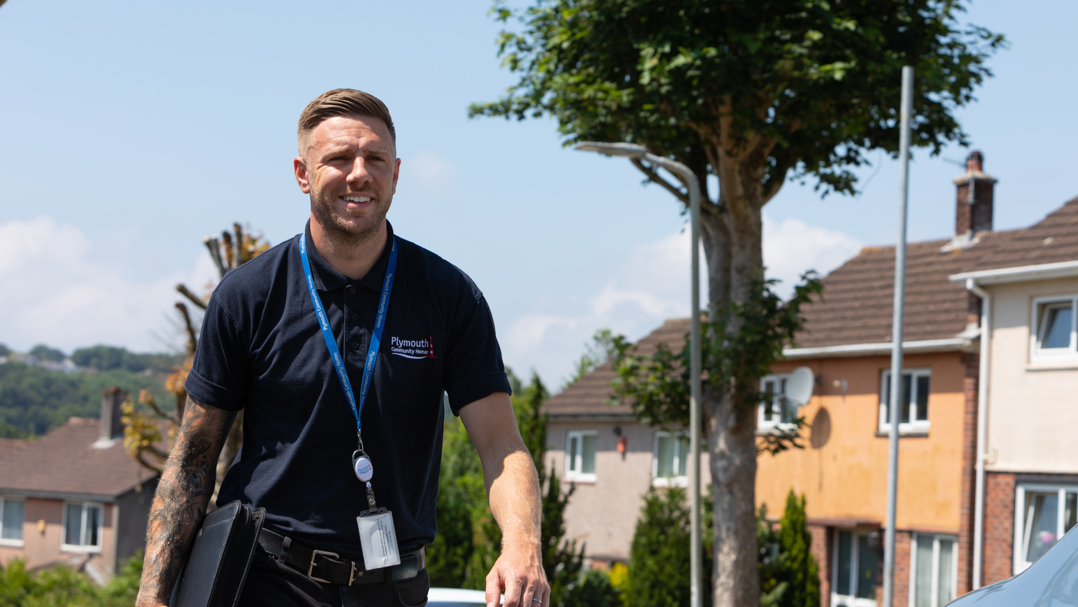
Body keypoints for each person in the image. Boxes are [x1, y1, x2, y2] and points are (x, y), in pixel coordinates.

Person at [135, 89, 549, 607]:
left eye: (375, 159)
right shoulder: (249, 295)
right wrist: (153, 594)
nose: (359, 174)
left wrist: (522, 547)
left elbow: (502, 447)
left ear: (396, 173)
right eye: (338, 158)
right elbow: (193, 458)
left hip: (394, 588)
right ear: (302, 174)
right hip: (268, 581)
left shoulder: (449, 295)